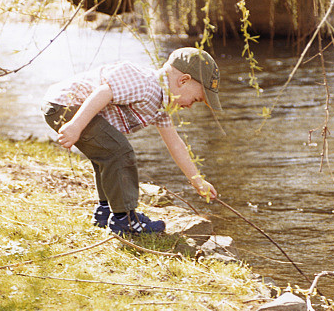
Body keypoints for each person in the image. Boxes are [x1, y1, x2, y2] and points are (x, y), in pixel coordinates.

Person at [42, 47, 220, 235]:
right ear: (183, 80)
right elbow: (104, 92)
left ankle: (106, 211)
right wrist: (76, 125)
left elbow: (175, 144)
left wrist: (197, 181)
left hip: (66, 107)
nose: (191, 106)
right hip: (67, 105)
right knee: (119, 152)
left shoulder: (160, 106)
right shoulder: (145, 83)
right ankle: (124, 219)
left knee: (106, 155)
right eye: (195, 99)